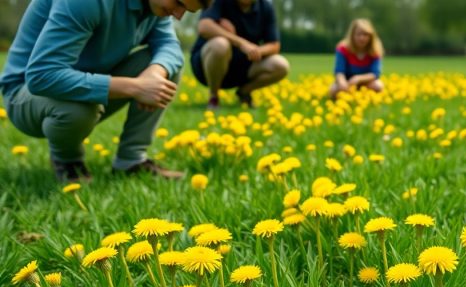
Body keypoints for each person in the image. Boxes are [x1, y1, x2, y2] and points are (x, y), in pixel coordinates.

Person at [0, 0, 209, 183]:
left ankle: (131, 161)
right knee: (78, 110)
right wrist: (136, 87)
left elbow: (169, 47)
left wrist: (155, 73)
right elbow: (41, 76)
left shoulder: (155, 6)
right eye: (179, 3)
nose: (179, 15)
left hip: (82, 84)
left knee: (164, 70)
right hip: (25, 94)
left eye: (187, 11)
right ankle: (68, 161)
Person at [191, 0, 289, 110]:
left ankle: (244, 92)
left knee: (281, 65)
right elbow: (204, 26)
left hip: (243, 66)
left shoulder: (266, 7)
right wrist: (241, 42)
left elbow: (274, 45)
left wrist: (256, 51)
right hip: (206, 66)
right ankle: (214, 97)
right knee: (220, 45)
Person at [329, 19, 384, 100]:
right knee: (333, 90)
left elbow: (375, 74)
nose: (362, 38)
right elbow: (339, 71)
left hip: (366, 82)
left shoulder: (375, 50)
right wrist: (342, 82)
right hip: (347, 81)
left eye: (365, 35)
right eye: (358, 34)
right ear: (352, 35)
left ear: (371, 36)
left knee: (378, 86)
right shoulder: (342, 48)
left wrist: (358, 79)